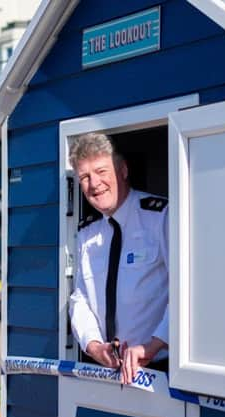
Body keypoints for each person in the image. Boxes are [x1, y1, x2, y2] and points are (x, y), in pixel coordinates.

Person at [68, 132, 169, 385]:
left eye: (102, 171)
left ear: (122, 170)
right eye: (84, 177)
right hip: (105, 370)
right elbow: (80, 298)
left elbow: (188, 291)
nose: (94, 183)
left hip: (160, 368)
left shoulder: (161, 216)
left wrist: (153, 345)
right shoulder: (87, 232)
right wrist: (93, 345)